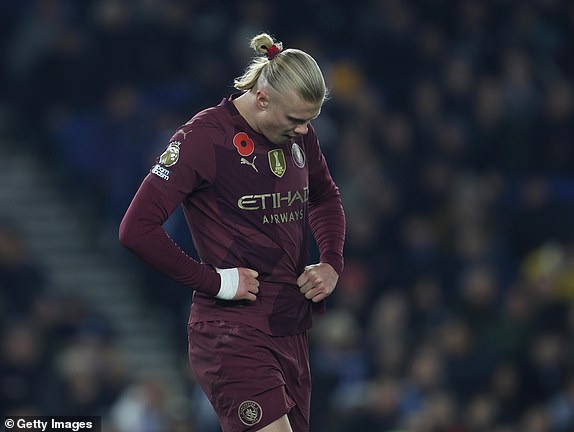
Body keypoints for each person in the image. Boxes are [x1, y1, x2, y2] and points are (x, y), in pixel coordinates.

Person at [119, 32, 345, 432]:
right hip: (231, 331)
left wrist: (330, 262)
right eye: (295, 120)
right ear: (262, 99)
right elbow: (136, 229)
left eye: (310, 121)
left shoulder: (299, 136)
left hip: (290, 326)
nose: (303, 132)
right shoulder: (203, 138)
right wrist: (215, 282)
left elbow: (325, 197)